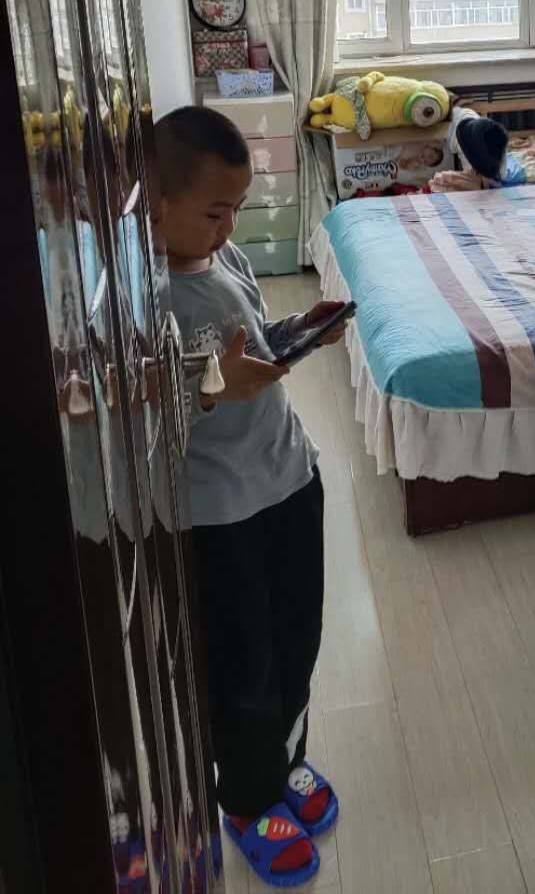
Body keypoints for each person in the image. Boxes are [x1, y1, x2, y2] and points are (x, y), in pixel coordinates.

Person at [155, 105, 347, 888]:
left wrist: (300, 330)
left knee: (298, 638)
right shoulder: (145, 296)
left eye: (236, 208)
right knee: (244, 664)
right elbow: (141, 402)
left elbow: (252, 343)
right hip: (221, 514)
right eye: (214, 211)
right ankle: (247, 797)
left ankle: (285, 758)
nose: (228, 226)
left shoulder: (222, 257)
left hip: (289, 477)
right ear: (155, 203)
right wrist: (211, 385)